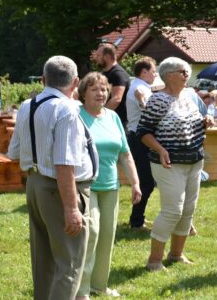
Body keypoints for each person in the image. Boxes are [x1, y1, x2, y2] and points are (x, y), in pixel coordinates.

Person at [7, 55, 98, 299]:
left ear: (44, 79)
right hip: (62, 188)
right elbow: (65, 163)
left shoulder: (28, 105)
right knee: (69, 264)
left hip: (35, 184)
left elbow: (14, 151)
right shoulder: (67, 109)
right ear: (76, 82)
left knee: (43, 261)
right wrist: (71, 208)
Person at [136, 57, 209, 271]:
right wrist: (160, 149)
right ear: (169, 76)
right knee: (172, 211)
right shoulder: (158, 100)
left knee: (188, 210)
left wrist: (205, 122)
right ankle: (154, 261)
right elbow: (143, 132)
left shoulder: (189, 95)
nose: (187, 75)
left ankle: (176, 255)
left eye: (187, 71)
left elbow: (193, 122)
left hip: (194, 160)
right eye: (182, 72)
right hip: (168, 163)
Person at [77, 72, 141, 298]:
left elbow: (125, 154)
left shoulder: (113, 117)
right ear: (83, 93)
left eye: (104, 89)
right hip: (85, 185)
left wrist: (135, 182)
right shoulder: (77, 116)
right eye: (94, 89)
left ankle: (99, 286)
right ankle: (81, 289)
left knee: (106, 236)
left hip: (111, 186)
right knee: (91, 232)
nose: (100, 93)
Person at [125, 56, 158, 232]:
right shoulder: (139, 87)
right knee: (146, 182)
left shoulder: (140, 85)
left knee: (147, 181)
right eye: (153, 71)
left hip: (138, 138)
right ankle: (136, 221)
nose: (155, 74)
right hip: (140, 139)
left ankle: (137, 218)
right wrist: (147, 105)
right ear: (144, 72)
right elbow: (141, 97)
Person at [93, 43, 130, 130]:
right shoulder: (105, 73)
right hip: (109, 121)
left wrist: (99, 114)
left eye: (98, 55)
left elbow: (116, 99)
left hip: (118, 123)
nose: (96, 58)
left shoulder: (118, 73)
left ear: (107, 57)